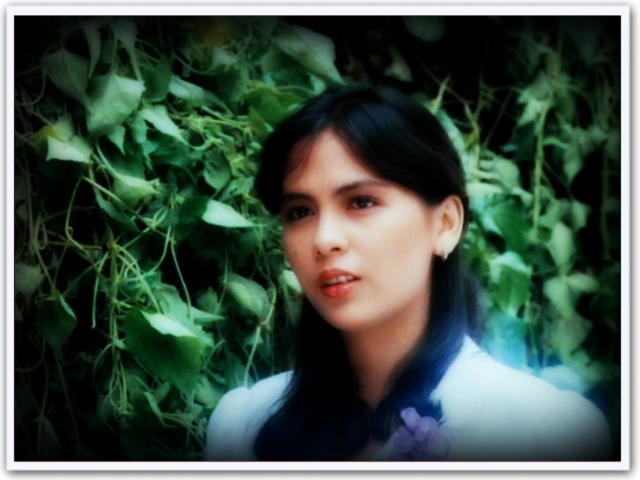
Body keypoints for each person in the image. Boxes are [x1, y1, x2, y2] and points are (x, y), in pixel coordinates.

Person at [204, 85, 613, 462]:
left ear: (446, 223)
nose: (324, 240)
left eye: (361, 202)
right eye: (300, 212)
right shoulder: (246, 427)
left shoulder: (548, 432)